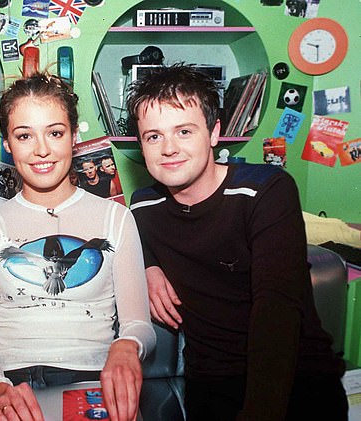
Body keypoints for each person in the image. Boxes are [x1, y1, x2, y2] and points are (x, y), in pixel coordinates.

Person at [126, 64, 347, 421]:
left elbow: (276, 308)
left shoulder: (266, 190)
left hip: (296, 378)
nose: (169, 148)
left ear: (214, 133)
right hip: (211, 383)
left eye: (184, 131)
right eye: (153, 136)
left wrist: (260, 412)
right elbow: (125, 240)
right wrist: (149, 266)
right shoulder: (143, 206)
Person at [0, 73, 155, 421]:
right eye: (24, 135)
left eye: (55, 133)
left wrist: (128, 346)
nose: (42, 150)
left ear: (74, 136)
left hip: (95, 381)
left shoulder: (117, 218)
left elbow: (139, 324)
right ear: (7, 143)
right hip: (11, 387)